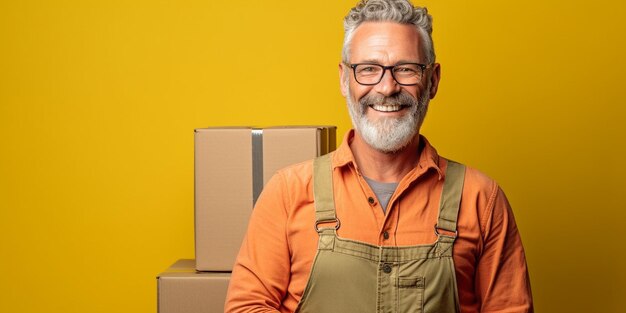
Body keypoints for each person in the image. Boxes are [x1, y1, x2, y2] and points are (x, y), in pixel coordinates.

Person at [225, 0, 533, 312]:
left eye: (406, 69)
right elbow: (246, 307)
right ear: (345, 79)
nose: (387, 87)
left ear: (433, 80)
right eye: (368, 69)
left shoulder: (481, 198)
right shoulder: (288, 192)